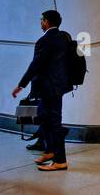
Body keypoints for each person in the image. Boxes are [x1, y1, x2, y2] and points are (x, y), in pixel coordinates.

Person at [12, 10, 74, 172]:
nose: (41, 22)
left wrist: (21, 84)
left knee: (53, 122)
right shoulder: (64, 38)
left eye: (42, 20)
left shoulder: (44, 40)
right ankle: (50, 150)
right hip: (59, 86)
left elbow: (36, 65)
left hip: (48, 88)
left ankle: (60, 161)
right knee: (44, 117)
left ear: (46, 22)